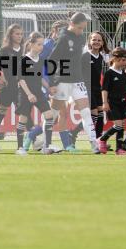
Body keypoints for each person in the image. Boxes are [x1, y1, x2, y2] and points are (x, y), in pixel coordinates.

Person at [48, 12, 97, 153]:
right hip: (62, 81)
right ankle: (46, 143)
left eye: (83, 28)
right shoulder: (63, 38)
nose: (81, 31)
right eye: (80, 28)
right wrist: (51, 83)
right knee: (53, 114)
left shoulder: (81, 38)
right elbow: (51, 60)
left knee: (86, 112)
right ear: (72, 24)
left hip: (77, 80)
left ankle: (94, 144)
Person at [16, 32, 56, 155]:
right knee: (23, 119)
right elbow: (21, 80)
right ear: (31, 44)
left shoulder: (41, 59)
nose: (41, 47)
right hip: (26, 94)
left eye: (42, 44)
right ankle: (20, 148)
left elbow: (40, 78)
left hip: (38, 93)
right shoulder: (24, 60)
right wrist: (29, 94)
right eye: (39, 44)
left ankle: (47, 146)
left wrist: (49, 88)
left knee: (49, 116)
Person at [0, 24, 24, 151]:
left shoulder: (23, 50)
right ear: (11, 35)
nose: (19, 36)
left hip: (20, 86)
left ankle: (30, 141)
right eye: (16, 34)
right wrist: (3, 80)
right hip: (8, 86)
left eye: (20, 34)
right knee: (1, 113)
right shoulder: (5, 50)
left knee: (24, 111)